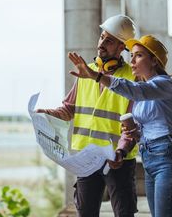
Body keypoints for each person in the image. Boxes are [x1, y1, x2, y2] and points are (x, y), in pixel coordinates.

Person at [68, 35, 172, 217]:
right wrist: (122, 149)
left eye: (139, 55)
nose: (132, 60)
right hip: (150, 159)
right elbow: (141, 130)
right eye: (132, 55)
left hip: (168, 157)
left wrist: (95, 75)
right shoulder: (145, 90)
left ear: (154, 61)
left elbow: (133, 90)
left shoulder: (163, 84)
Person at [36, 15, 138, 217]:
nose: (102, 44)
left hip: (118, 159)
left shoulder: (132, 79)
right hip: (86, 158)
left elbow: (134, 125)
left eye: (109, 40)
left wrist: (121, 151)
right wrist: (46, 114)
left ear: (121, 48)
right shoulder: (85, 73)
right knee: (85, 213)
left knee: (124, 213)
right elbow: (68, 109)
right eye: (102, 37)